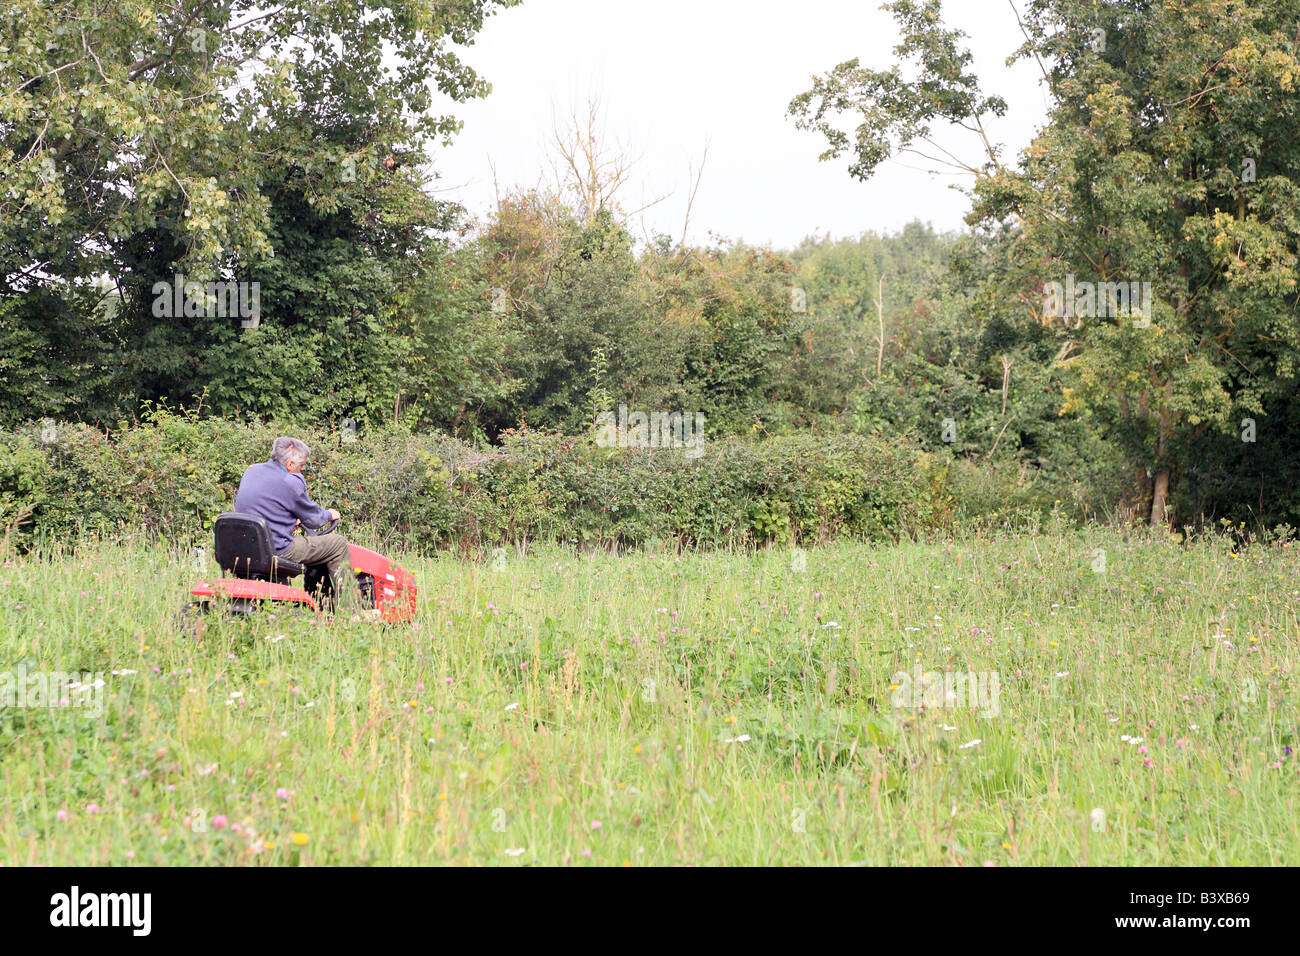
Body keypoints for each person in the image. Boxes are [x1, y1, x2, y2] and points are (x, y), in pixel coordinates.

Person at [233, 436, 371, 616]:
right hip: (276, 549)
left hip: (244, 547)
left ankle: (320, 603)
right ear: (290, 464)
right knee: (337, 544)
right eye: (302, 465)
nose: (303, 468)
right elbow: (314, 519)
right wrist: (330, 514)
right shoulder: (289, 481)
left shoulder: (251, 471)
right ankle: (354, 611)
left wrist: (289, 520)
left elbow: (263, 507)